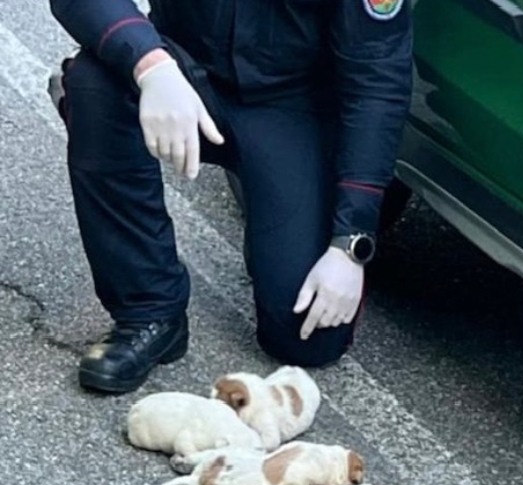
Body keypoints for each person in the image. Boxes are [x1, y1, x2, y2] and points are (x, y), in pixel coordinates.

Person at [47, 0, 413, 393]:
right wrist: (149, 64)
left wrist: (351, 243)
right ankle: (148, 310)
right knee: (97, 84)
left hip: (293, 107)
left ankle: (280, 232)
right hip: (182, 76)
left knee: (308, 338)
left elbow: (378, 81)